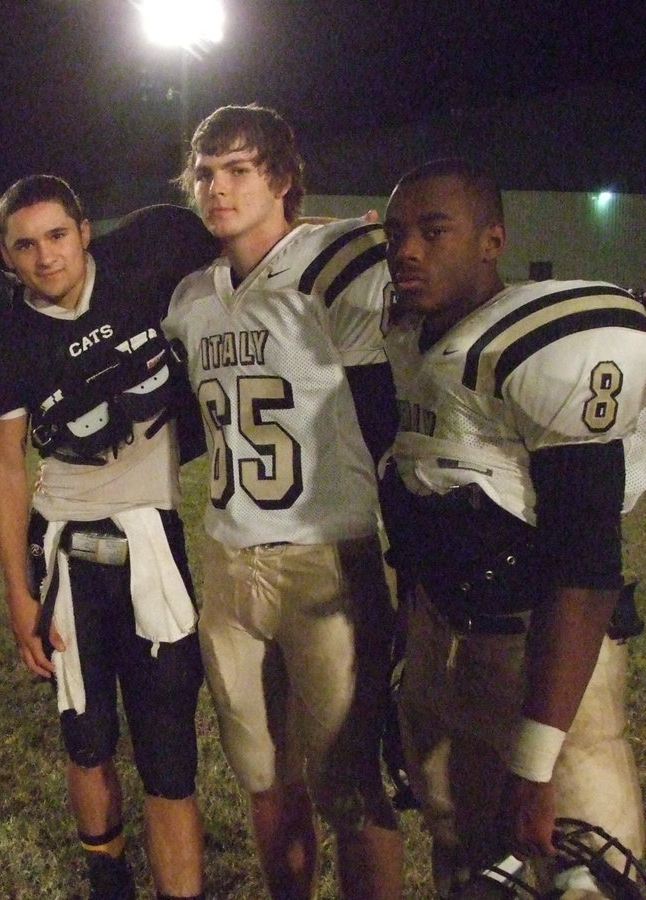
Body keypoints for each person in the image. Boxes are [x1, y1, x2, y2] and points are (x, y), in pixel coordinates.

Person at [380, 157, 646, 896]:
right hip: (445, 643)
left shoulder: (548, 345)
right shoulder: (407, 334)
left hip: (546, 660)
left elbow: (586, 570)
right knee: (464, 859)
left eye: (435, 232)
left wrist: (535, 762)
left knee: (585, 870)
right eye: (397, 233)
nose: (407, 250)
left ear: (492, 239)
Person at [0, 176, 215, 900]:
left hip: (151, 537)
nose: (46, 257)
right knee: (86, 736)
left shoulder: (147, 271)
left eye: (57, 235)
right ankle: (107, 879)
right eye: (25, 245)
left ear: (86, 230)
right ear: (5, 255)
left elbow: (250, 240)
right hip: (65, 548)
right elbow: (5, 469)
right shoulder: (2, 341)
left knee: (168, 755)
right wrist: (15, 589)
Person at [162, 104, 403, 900]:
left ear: (283, 178)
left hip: (326, 555)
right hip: (229, 561)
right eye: (205, 171)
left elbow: (389, 411)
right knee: (262, 776)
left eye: (238, 170)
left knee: (352, 787)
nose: (217, 187)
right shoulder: (192, 295)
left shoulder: (333, 264)